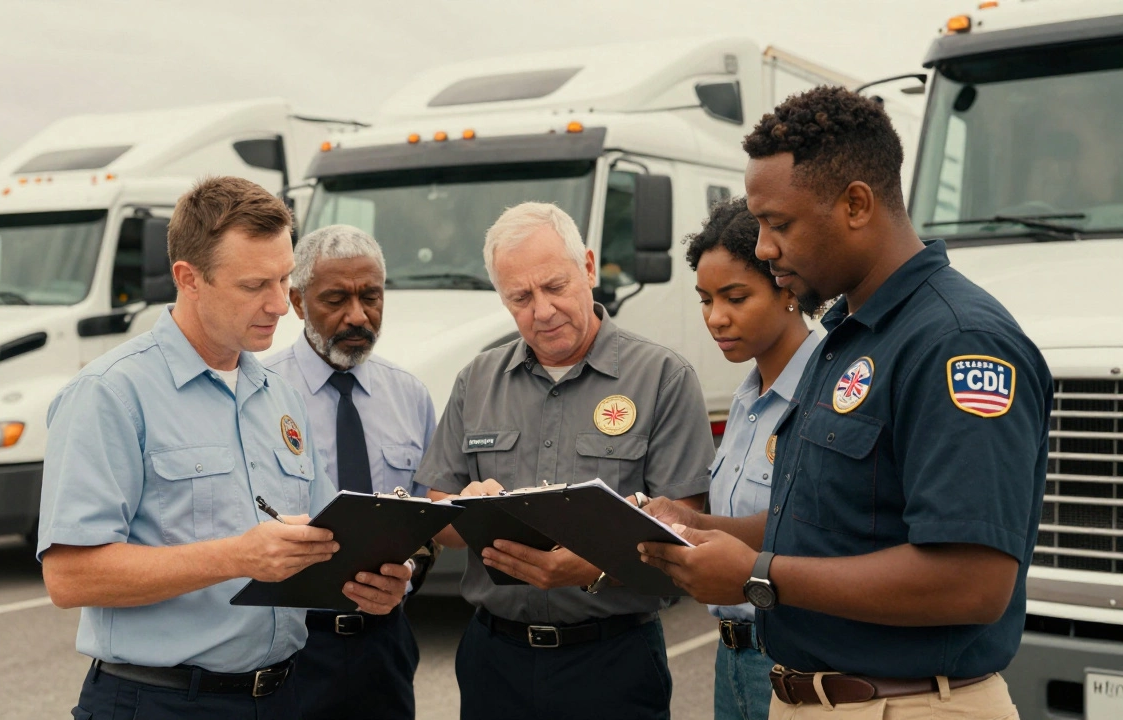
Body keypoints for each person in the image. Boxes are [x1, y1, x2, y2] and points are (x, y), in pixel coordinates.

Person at [639, 86, 1050, 719]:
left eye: (779, 224)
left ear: (856, 203)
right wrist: (703, 531)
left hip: (908, 704)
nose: (766, 247)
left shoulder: (957, 342)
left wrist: (757, 575)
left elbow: (973, 581)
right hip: (811, 698)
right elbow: (828, 527)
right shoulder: (846, 338)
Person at [37, 176, 411, 720]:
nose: (281, 305)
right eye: (254, 285)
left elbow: (324, 537)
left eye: (285, 279)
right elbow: (70, 577)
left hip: (285, 697)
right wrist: (237, 556)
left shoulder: (279, 395)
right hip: (159, 702)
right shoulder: (111, 393)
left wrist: (369, 580)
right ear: (188, 279)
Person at [416, 201, 715, 720]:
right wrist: (460, 507)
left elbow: (685, 535)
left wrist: (592, 569)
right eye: (521, 297)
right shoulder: (477, 380)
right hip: (494, 663)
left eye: (554, 286)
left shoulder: (663, 378)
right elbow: (437, 508)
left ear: (590, 267)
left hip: (613, 663)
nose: (543, 310)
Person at [265, 224, 436, 720]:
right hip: (290, 647)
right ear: (297, 302)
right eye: (335, 299)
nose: (357, 316)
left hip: (384, 644)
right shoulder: (258, 394)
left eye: (371, 297)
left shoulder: (410, 396)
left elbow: (425, 524)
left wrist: (407, 575)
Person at [687, 196, 820, 720]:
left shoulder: (827, 393)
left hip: (792, 658)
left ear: (787, 288)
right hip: (731, 656)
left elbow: (815, 527)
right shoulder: (744, 398)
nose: (715, 318)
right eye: (704, 299)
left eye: (735, 297)